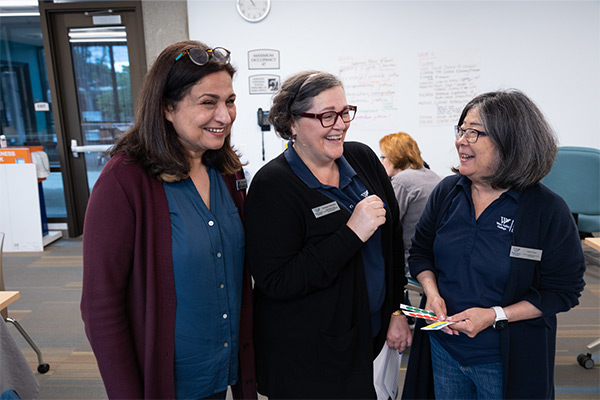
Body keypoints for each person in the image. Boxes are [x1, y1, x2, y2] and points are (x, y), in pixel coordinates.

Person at [80, 40, 256, 400]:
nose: (225, 115)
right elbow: (101, 307)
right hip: (168, 382)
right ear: (166, 108)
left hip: (223, 368)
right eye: (208, 103)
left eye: (230, 101)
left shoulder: (227, 171)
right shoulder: (124, 182)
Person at [402, 89, 586, 399]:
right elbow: (421, 253)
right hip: (444, 349)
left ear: (510, 142)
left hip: (505, 359)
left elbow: (563, 291)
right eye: (461, 130)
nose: (462, 140)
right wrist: (431, 293)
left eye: (474, 133)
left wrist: (495, 315)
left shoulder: (546, 210)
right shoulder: (448, 192)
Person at [244, 71, 412, 399]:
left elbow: (392, 240)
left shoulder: (362, 158)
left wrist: (396, 310)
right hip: (311, 361)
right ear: (291, 123)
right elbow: (278, 281)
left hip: (370, 341)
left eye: (345, 112)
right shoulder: (272, 185)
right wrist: (351, 233)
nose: (340, 124)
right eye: (326, 116)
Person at [379, 132, 441, 277]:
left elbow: (386, 225)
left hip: (411, 262)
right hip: (434, 260)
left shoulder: (402, 181)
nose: (381, 162)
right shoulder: (432, 175)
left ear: (395, 157)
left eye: (383, 157)